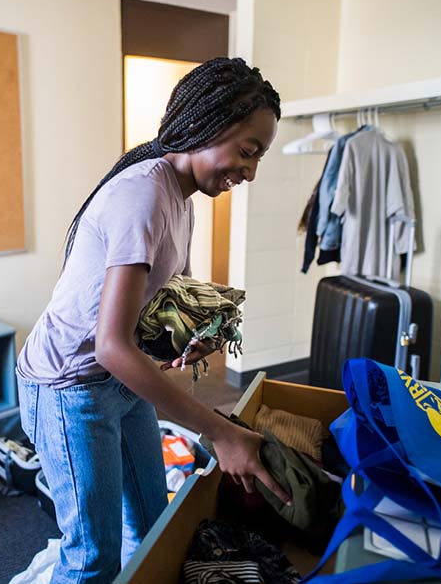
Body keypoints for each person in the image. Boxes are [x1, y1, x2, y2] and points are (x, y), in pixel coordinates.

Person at [16, 57, 291, 583]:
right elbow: (110, 347)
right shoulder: (142, 193)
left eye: (259, 158)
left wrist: (191, 336)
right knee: (93, 557)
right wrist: (219, 434)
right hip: (69, 390)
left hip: (121, 382)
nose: (251, 171)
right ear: (207, 126)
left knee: (151, 525)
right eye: (248, 152)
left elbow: (172, 292)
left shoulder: (182, 198)